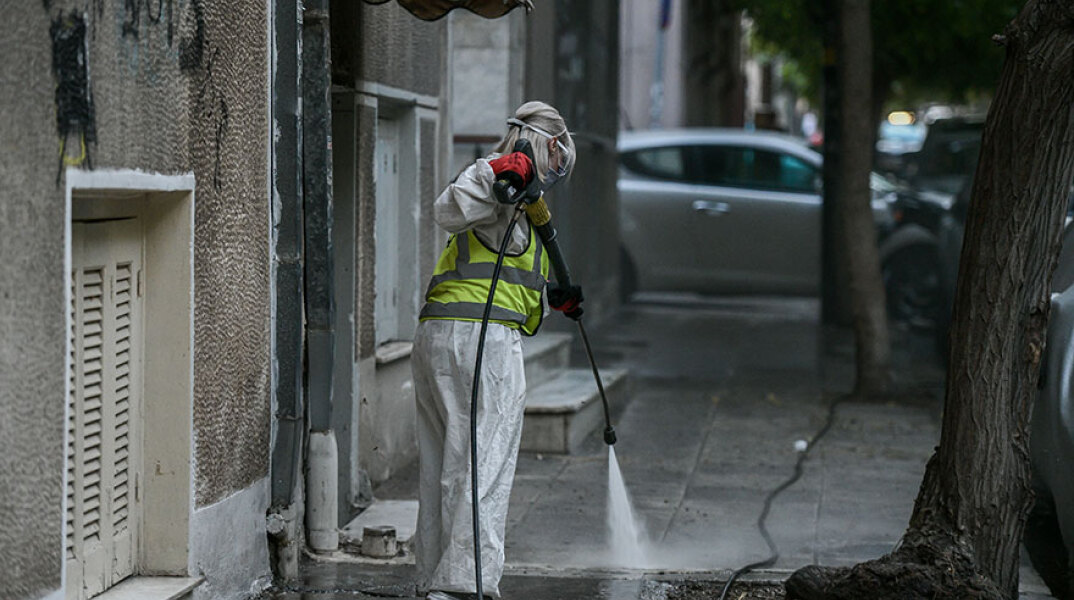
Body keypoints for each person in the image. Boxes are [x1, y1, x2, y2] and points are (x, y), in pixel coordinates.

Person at [412, 101, 582, 600]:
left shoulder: (520, 203)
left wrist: (552, 298)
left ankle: (435, 580)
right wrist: (493, 171)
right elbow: (446, 208)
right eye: (559, 158)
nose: (556, 172)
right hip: (482, 344)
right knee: (483, 465)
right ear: (550, 144)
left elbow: (501, 274)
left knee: (445, 464)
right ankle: (467, 586)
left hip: (441, 337)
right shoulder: (499, 180)